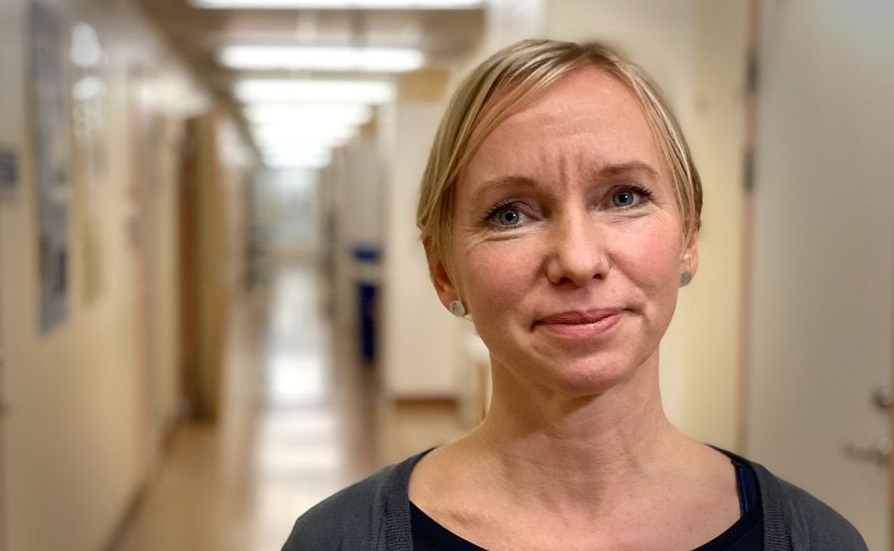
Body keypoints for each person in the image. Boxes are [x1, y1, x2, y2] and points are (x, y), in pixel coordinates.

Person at [282, 39, 867, 551]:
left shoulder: (816, 541)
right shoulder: (338, 540)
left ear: (689, 238)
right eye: (510, 214)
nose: (579, 261)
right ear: (444, 272)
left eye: (624, 197)